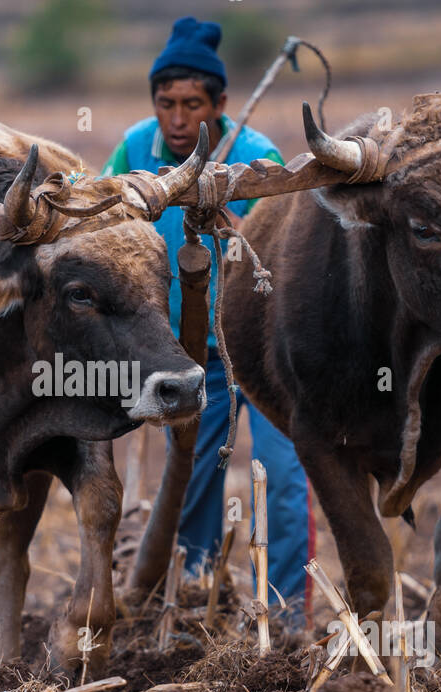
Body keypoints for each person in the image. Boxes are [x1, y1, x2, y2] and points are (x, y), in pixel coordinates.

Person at [102, 16, 313, 628]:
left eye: (191, 104)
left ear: (220, 104)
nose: (176, 118)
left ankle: (285, 615)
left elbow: (283, 252)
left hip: (264, 349)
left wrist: (232, 221)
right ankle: (194, 603)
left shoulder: (255, 158)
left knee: (283, 479)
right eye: (165, 103)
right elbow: (103, 216)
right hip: (188, 354)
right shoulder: (134, 149)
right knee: (192, 476)